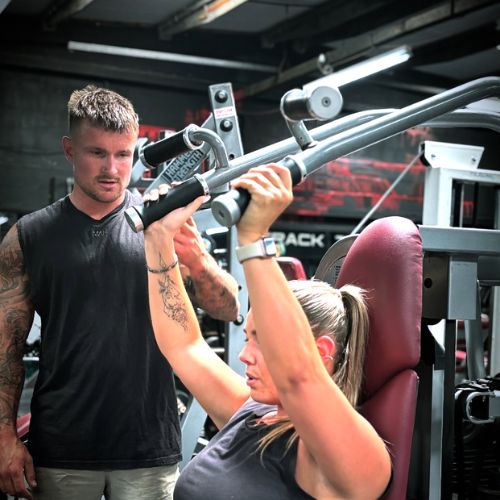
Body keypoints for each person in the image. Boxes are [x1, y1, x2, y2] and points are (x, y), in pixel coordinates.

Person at [0, 85, 239, 500]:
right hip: (62, 448)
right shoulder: (28, 236)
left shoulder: (161, 224)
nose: (112, 168)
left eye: (123, 154)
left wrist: (198, 261)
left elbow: (229, 308)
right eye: (97, 153)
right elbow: (6, 348)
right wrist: (4, 435)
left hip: (148, 448)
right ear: (70, 149)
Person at [143, 163, 392, 499]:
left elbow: (300, 378)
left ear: (320, 352)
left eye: (261, 341)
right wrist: (159, 239)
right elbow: (184, 345)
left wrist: (254, 238)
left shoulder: (353, 460)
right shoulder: (250, 411)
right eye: (249, 337)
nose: (244, 355)